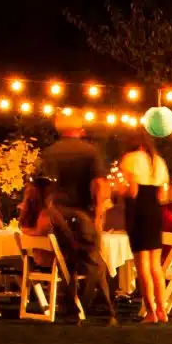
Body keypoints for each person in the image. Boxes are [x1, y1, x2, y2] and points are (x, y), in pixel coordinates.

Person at [40, 114, 117, 324]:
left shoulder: (50, 152)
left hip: (58, 213)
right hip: (81, 213)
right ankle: (101, 311)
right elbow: (100, 185)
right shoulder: (90, 151)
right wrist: (99, 214)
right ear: (80, 130)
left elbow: (43, 187)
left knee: (67, 263)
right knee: (94, 260)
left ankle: (69, 311)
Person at [119, 130, 170, 324]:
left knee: (142, 265)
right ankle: (162, 310)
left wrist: (119, 192)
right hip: (155, 211)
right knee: (155, 265)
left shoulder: (130, 159)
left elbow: (132, 191)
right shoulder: (158, 161)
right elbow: (162, 196)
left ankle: (151, 312)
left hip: (138, 211)